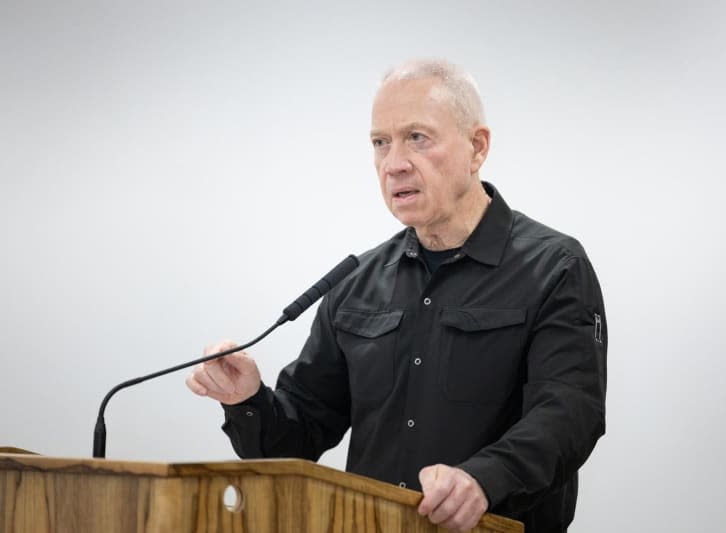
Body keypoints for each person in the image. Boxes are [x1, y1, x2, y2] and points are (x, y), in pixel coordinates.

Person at [186, 59, 607, 533]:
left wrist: (483, 480)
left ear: (477, 147)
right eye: (380, 143)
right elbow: (299, 435)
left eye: (418, 138)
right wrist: (248, 400)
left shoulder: (554, 267)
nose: (395, 163)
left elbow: (569, 415)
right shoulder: (355, 282)